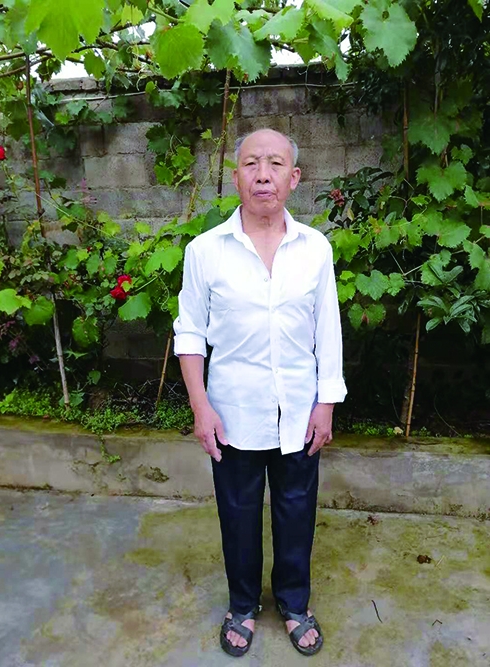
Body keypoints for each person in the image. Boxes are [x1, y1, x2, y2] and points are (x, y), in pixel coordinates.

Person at [173, 128, 346, 657]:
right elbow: (189, 333)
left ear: (294, 178)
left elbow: (328, 330)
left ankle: (294, 604)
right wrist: (201, 408)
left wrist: (325, 403)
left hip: (298, 410)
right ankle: (243, 604)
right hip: (232, 413)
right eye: (252, 164)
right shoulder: (206, 251)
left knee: (297, 511)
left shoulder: (315, 248)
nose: (263, 175)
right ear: (236, 177)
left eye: (275, 164)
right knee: (238, 514)